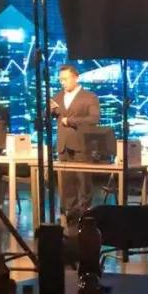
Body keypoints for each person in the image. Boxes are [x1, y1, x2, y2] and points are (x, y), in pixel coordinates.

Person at [49, 64, 101, 223]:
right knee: (66, 185)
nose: (62, 82)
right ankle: (69, 216)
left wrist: (70, 120)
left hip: (82, 146)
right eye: (61, 79)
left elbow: (94, 119)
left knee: (84, 184)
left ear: (76, 78)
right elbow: (49, 116)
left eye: (65, 79)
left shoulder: (89, 97)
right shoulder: (57, 97)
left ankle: (85, 218)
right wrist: (49, 110)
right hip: (63, 146)